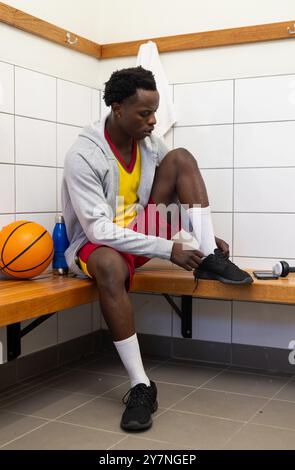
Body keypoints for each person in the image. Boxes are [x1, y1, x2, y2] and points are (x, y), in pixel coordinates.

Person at [61, 66, 252, 432]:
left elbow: (166, 203)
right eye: (144, 113)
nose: (152, 121)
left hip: (140, 232)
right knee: (110, 267)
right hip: (97, 245)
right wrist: (169, 248)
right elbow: (98, 229)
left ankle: (210, 257)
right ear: (117, 108)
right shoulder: (83, 155)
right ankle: (140, 386)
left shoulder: (149, 143)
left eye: (154, 112)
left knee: (180, 157)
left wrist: (198, 239)